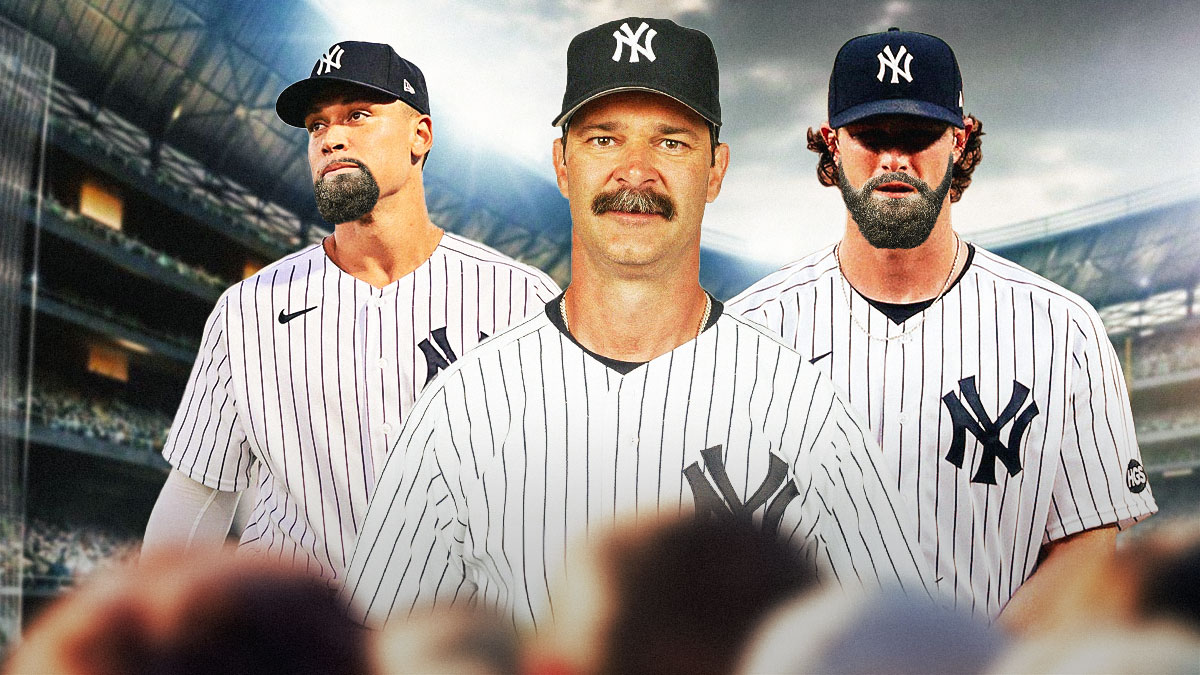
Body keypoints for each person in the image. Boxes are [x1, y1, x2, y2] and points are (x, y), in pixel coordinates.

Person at [342, 17, 930, 631]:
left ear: (716, 170)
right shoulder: (463, 405)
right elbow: (374, 644)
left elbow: (902, 644)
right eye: (604, 139)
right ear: (562, 165)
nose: (636, 171)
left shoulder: (799, 405)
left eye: (671, 142)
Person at [728, 28, 1157, 629]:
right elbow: (723, 550)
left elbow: (1085, 547)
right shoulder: (749, 333)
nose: (894, 160)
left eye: (918, 136)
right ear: (832, 142)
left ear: (959, 140)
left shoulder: (1063, 330)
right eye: (871, 137)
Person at [141, 41, 560, 582]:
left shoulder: (522, 300)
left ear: (420, 135)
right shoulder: (248, 309)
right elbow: (199, 494)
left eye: (358, 115)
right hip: (296, 641)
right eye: (317, 125)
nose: (331, 137)